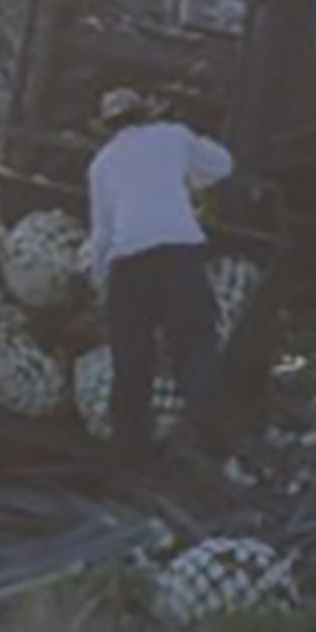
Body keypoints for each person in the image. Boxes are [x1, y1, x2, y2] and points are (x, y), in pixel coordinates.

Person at [87, 87, 233, 470]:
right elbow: (223, 166)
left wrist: (100, 282)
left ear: (107, 127)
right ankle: (212, 446)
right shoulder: (173, 136)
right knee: (195, 349)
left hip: (128, 265)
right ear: (145, 114)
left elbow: (101, 233)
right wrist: (190, 179)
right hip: (178, 257)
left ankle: (131, 462)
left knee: (131, 366)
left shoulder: (101, 164)